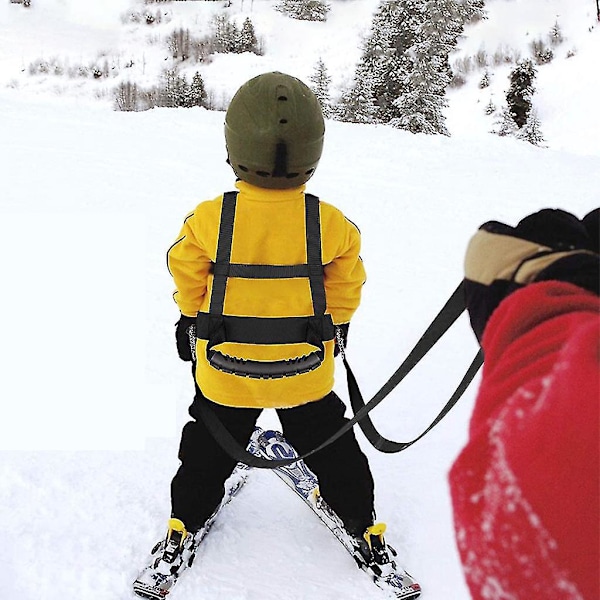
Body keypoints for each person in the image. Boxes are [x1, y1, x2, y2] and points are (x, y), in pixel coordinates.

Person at [156, 72, 389, 573]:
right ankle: (363, 525)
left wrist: (190, 318)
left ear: (233, 146)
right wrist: (338, 326)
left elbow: (186, 270)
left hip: (225, 374)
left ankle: (183, 524)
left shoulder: (207, 219)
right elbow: (347, 284)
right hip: (305, 373)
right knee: (334, 450)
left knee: (205, 450)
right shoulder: (330, 223)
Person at [449, 208, 599, 599]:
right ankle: (360, 520)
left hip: (296, 363)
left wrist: (553, 303)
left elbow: (524, 520)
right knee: (323, 425)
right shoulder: (327, 224)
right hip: (312, 367)